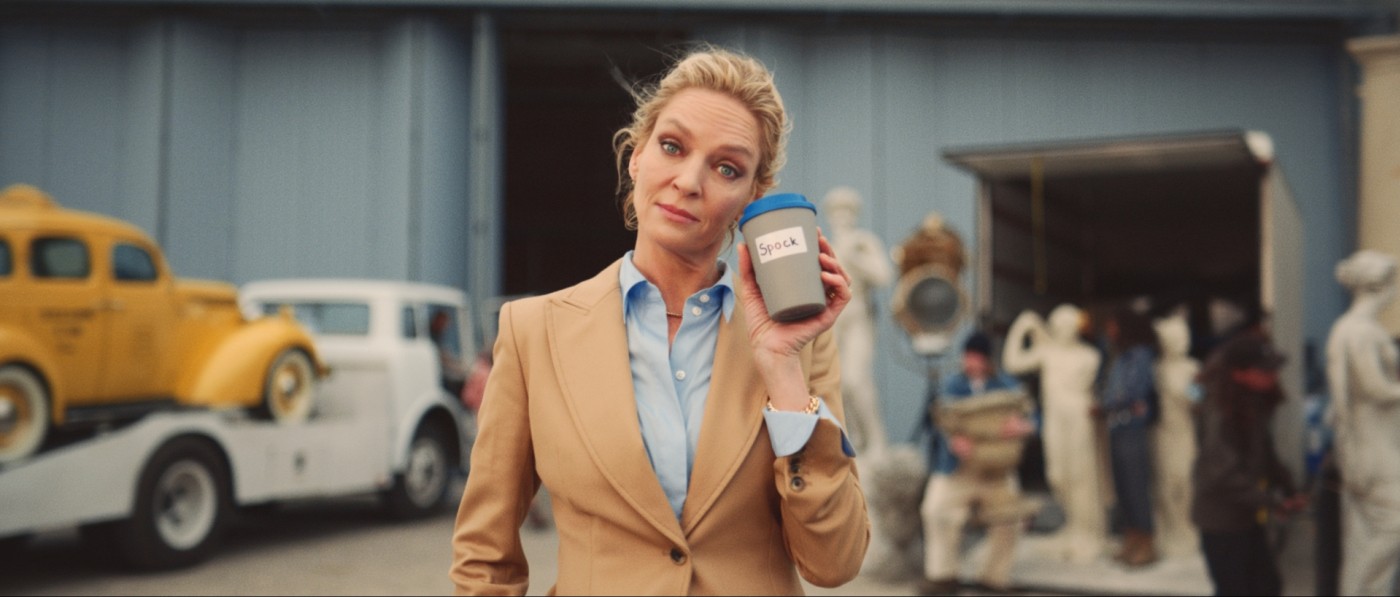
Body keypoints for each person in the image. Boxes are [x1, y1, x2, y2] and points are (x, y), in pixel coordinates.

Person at [449, 46, 870, 595]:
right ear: (635, 156)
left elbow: (834, 564)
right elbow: (485, 559)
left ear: (750, 199)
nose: (689, 181)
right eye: (672, 147)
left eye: (727, 168)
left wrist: (783, 375)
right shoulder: (533, 332)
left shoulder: (800, 344)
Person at [917, 331, 1033, 594]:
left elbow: (1032, 415)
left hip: (997, 470)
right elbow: (937, 422)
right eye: (967, 356)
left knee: (1010, 519)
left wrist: (1023, 426)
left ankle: (994, 577)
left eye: (977, 357)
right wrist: (952, 441)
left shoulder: (1007, 387)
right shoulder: (951, 386)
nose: (971, 362)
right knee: (936, 510)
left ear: (988, 360)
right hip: (959, 468)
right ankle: (942, 575)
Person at [1191, 329, 1305, 596]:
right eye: (1264, 371)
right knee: (1237, 589)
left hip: (1245, 517)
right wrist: (1273, 502)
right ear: (1239, 373)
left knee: (1267, 587)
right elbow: (1223, 475)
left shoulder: (1249, 402)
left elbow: (1265, 453)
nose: (1274, 376)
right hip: (1221, 521)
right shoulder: (1219, 411)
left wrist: (1288, 488)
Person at [1003, 304, 1106, 563]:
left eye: (1067, 325)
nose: (1062, 330)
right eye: (1057, 325)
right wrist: (1021, 327)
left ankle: (1088, 533)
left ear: (1076, 328)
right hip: (1055, 420)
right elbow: (1012, 363)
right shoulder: (1047, 353)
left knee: (1081, 477)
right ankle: (1073, 526)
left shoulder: (1089, 356)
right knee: (1057, 476)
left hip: (1079, 419)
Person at [1325, 249, 1400, 596]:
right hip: (1374, 442)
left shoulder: (1347, 329)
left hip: (1369, 438)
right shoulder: (1362, 332)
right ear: (1380, 286)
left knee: (1362, 533)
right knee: (1392, 526)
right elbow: (1375, 388)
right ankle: (1361, 587)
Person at [823, 185, 895, 456]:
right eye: (837, 212)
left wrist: (856, 258)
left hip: (857, 318)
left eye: (847, 212)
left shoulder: (863, 241)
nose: (842, 218)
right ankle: (856, 440)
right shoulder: (826, 245)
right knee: (836, 383)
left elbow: (884, 275)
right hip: (832, 322)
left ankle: (877, 440)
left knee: (856, 379)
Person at [1094, 306, 1160, 567]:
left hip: (1133, 427)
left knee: (1135, 485)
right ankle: (1130, 539)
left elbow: (1133, 390)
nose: (1109, 331)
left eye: (1113, 325)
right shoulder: (1118, 355)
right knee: (1122, 486)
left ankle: (1146, 543)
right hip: (1116, 427)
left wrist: (1105, 404)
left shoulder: (1139, 355)